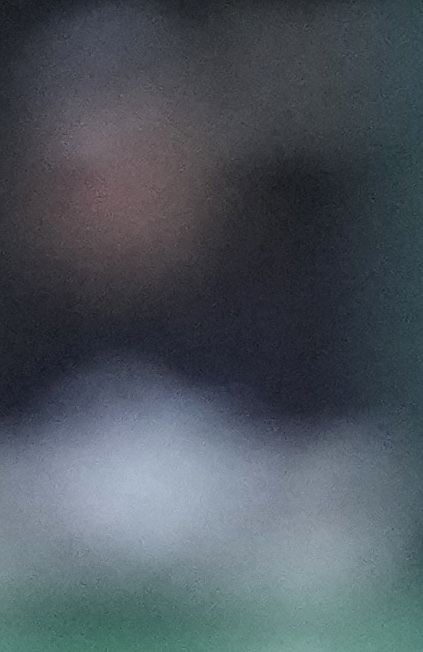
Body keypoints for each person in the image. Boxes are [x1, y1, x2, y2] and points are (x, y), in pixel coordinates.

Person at [0, 3, 339, 591]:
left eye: (139, 164)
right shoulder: (18, 332)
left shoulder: (297, 319)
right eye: (82, 177)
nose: (110, 200)